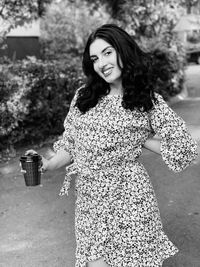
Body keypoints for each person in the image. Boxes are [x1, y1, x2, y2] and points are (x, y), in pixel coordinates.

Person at [25, 24, 199, 267]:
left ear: (123, 51)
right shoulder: (84, 96)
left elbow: (184, 145)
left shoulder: (146, 101)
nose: (101, 63)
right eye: (95, 58)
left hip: (130, 198)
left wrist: (143, 140)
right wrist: (49, 163)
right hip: (89, 200)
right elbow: (71, 144)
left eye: (108, 53)